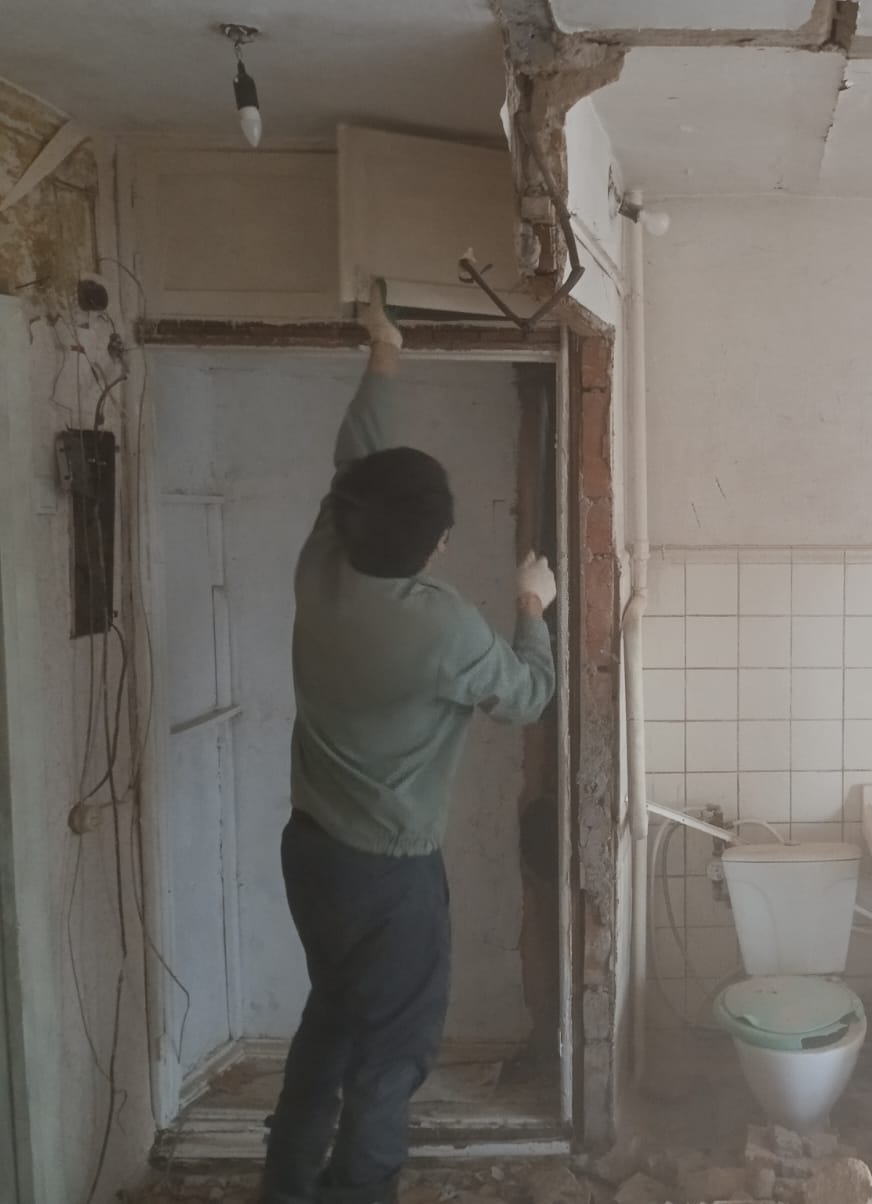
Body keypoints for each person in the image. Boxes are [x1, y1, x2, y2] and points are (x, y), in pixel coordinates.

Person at [261, 283, 558, 1204]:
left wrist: (384, 351)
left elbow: (356, 463)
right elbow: (530, 697)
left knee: (331, 1022)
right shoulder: (442, 627)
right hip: (390, 881)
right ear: (437, 546)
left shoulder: (322, 564)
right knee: (391, 1057)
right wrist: (534, 607)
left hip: (313, 854)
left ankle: (286, 1187)